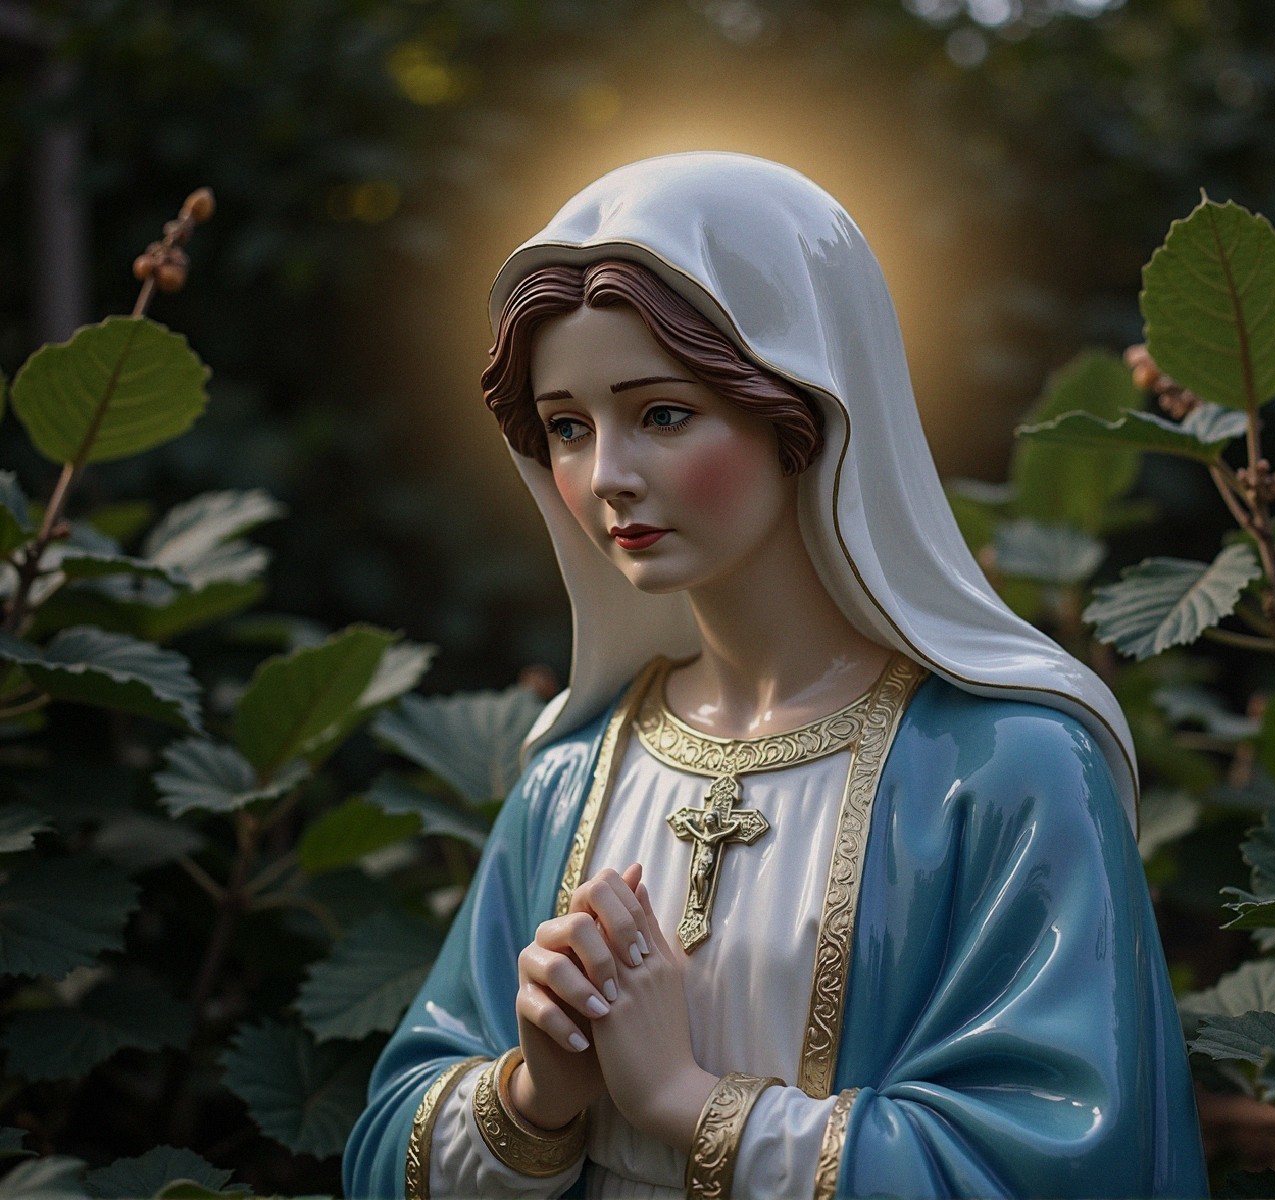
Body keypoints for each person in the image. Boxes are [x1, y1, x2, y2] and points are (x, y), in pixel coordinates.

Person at [342, 152, 1206, 1200]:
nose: (607, 474)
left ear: (803, 414)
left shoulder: (1004, 767)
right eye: (567, 426)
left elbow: (1064, 1161)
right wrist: (534, 1097)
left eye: (660, 413)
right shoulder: (571, 779)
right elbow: (389, 1145)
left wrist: (684, 1102)